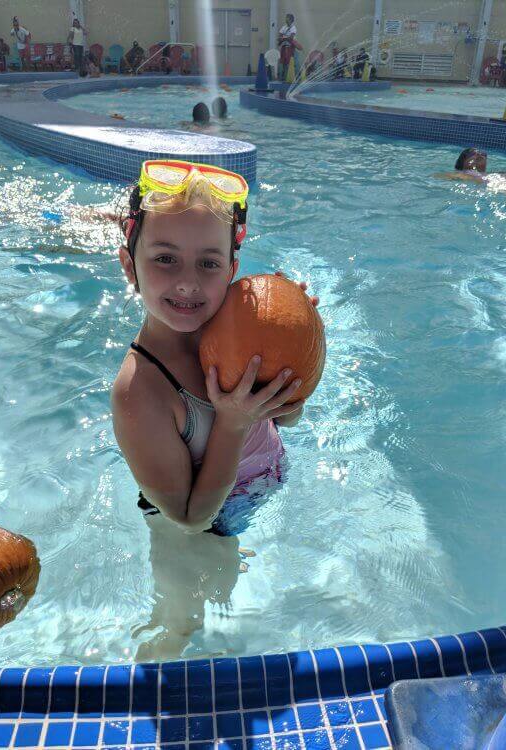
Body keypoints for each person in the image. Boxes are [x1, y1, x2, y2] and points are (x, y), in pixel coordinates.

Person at [111, 161, 317, 658]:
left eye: (208, 264)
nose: (188, 284)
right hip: (198, 526)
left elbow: (286, 416)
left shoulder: (235, 327)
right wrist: (231, 423)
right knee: (184, 619)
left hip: (255, 491)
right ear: (128, 264)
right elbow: (187, 516)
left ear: (232, 269)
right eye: (165, 258)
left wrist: (297, 341)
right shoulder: (141, 392)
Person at [435, 148, 506, 207]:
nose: (479, 154)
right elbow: (440, 177)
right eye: (473, 153)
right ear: (463, 161)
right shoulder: (462, 173)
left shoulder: (494, 173)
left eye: (483, 154)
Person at [278, 13, 301, 79]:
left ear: (290, 19)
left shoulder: (293, 28)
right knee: (283, 62)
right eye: (286, 17)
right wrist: (284, 38)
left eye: (287, 17)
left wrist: (283, 38)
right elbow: (279, 36)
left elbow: (291, 38)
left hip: (290, 47)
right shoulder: (284, 27)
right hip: (284, 46)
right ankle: (284, 76)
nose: (285, 19)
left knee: (290, 61)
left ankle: (292, 76)